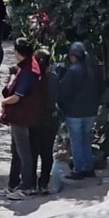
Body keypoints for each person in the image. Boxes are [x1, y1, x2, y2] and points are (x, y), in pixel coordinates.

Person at [0, 37, 45, 200]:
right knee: (17, 151)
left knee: (23, 152)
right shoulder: (27, 67)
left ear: (19, 53)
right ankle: (13, 184)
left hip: (21, 116)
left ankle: (26, 186)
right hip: (20, 116)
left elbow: (17, 96)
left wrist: (4, 102)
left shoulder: (28, 71)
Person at [57, 41, 104, 180]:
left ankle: (78, 170)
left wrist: (62, 108)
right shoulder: (94, 70)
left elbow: (64, 92)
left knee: (76, 141)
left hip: (74, 113)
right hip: (90, 112)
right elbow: (100, 89)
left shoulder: (72, 72)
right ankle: (88, 168)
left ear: (73, 56)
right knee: (86, 140)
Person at [31, 49, 62, 194]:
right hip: (50, 119)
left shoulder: (32, 77)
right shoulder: (54, 77)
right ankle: (43, 183)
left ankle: (31, 183)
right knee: (47, 152)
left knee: (32, 152)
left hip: (35, 118)